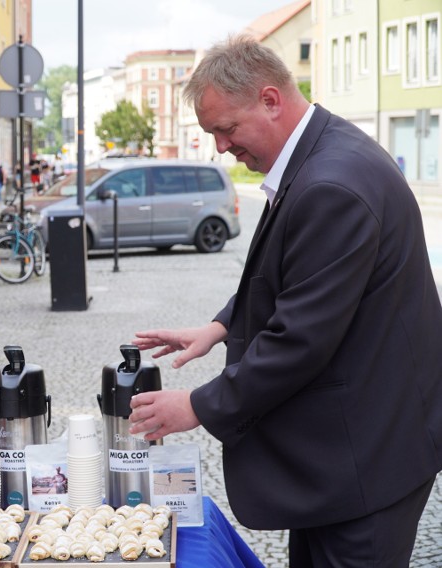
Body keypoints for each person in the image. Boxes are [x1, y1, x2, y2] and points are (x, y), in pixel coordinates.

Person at [128, 36, 442, 568]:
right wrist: (221, 326)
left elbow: (299, 340)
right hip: (345, 457)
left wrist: (198, 406)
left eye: (226, 130)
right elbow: (298, 276)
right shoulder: (322, 155)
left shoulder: (331, 183)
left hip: (367, 459)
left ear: (270, 100)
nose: (222, 148)